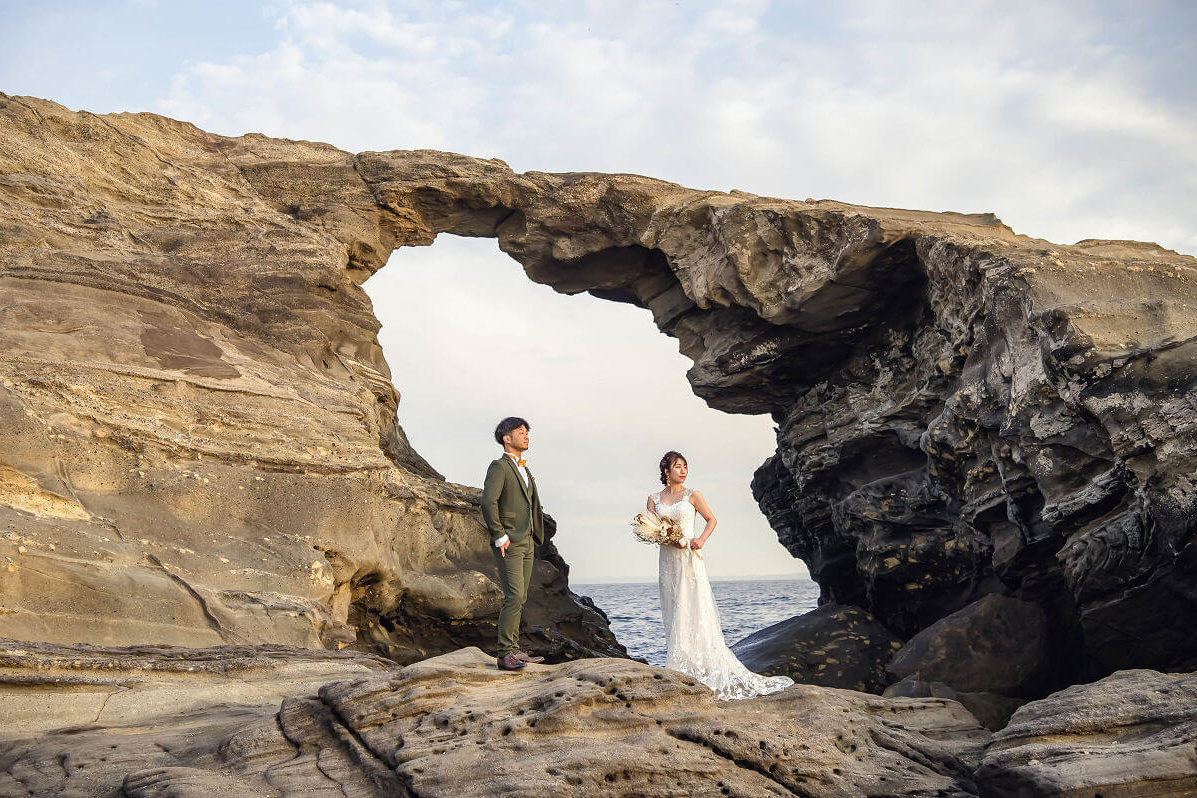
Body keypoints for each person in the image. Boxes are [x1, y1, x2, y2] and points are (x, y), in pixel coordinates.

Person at [649, 450, 794, 699]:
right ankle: (679, 663)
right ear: (666, 471)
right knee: (673, 607)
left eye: (685, 466)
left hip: (688, 557)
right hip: (667, 559)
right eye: (678, 466)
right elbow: (651, 529)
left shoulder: (692, 495)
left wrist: (700, 540)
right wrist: (661, 537)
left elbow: (711, 520)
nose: (683, 470)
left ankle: (698, 666)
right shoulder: (654, 499)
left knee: (693, 607)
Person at [481, 417, 547, 671]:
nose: (526, 436)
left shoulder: (525, 469)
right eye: (521, 432)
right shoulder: (499, 467)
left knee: (521, 597)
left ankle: (514, 650)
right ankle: (503, 655)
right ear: (506, 438)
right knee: (514, 595)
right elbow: (489, 502)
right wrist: (500, 535)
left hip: (527, 541)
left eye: (527, 432)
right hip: (509, 541)